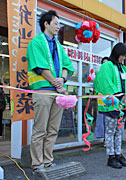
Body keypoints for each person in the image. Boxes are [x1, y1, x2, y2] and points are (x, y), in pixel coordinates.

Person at [26, 10, 74, 173]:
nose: (58, 27)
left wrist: (63, 80)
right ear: (46, 24)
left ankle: (48, 160)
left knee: (53, 129)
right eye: (56, 23)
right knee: (40, 129)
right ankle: (37, 163)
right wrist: (57, 83)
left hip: (58, 92)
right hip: (43, 91)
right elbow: (39, 67)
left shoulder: (59, 46)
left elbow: (68, 66)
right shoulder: (36, 42)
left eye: (59, 24)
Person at [94, 43, 126, 169]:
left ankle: (118, 154)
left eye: (125, 56)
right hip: (112, 105)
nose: (124, 58)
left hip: (122, 106)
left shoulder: (123, 68)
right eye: (123, 55)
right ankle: (111, 156)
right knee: (110, 132)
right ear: (117, 53)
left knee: (119, 131)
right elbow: (106, 83)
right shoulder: (107, 65)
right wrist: (118, 96)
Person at [95, 57, 109, 139]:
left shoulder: (112, 73)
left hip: (111, 100)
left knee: (110, 120)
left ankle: (109, 139)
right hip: (101, 100)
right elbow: (96, 85)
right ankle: (103, 137)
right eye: (103, 63)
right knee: (101, 119)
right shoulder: (99, 74)